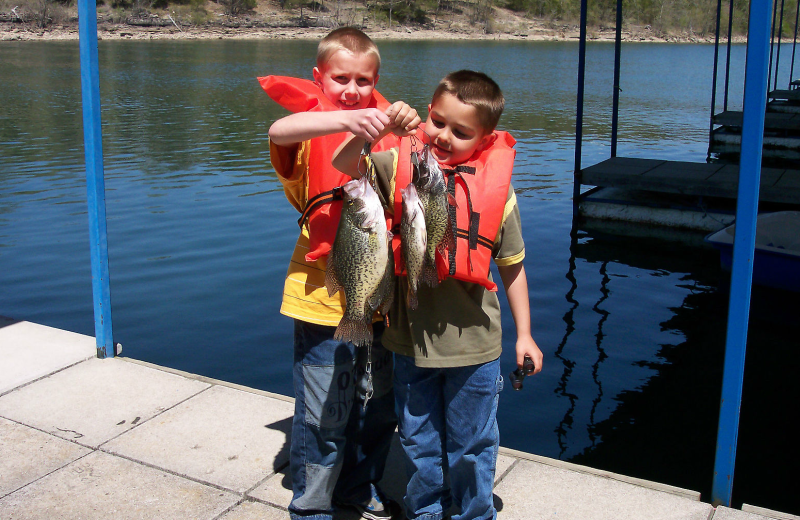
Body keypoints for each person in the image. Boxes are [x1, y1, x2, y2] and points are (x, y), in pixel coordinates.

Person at [332, 70, 544, 520]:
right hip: (410, 345)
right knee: (417, 441)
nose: (444, 136)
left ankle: (473, 513)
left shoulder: (499, 193)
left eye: (461, 132)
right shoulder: (398, 166)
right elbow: (345, 165)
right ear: (427, 113)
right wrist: (381, 128)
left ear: (485, 139)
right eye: (437, 121)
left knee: (472, 444)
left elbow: (513, 268)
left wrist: (525, 334)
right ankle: (426, 512)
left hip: (476, 348)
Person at [264, 27, 420, 520]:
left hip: (381, 299)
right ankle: (311, 506)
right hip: (320, 299)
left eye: (363, 80)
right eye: (340, 79)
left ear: (377, 79)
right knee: (323, 413)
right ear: (318, 78)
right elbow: (277, 132)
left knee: (377, 408)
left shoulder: (387, 132)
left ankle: (359, 487)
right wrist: (350, 119)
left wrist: (410, 120)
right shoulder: (307, 133)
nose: (352, 90)